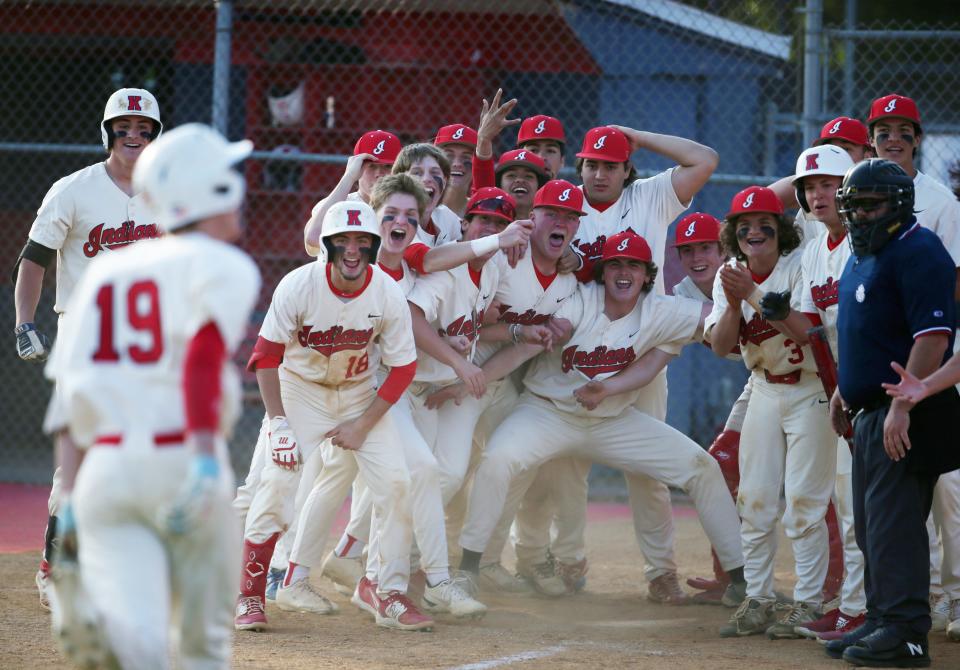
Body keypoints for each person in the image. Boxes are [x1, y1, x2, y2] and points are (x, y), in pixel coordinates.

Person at [42, 123, 261, 669]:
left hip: (105, 475)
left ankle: (123, 641)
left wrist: (67, 501)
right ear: (204, 191)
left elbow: (70, 401)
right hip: (180, 462)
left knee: (139, 637)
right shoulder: (225, 266)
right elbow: (202, 362)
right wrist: (208, 463)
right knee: (200, 647)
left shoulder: (107, 272)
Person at [455, 231, 746, 601]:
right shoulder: (578, 302)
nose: (624, 273)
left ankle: (741, 580)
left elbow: (717, 317)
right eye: (615, 265)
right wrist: (467, 383)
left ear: (646, 275)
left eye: (633, 266)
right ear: (603, 272)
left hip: (614, 422)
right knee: (498, 458)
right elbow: (520, 352)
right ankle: (468, 567)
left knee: (701, 467)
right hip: (548, 413)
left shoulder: (661, 310)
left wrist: (740, 297)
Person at [236, 201, 430, 633]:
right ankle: (249, 594)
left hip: (358, 395)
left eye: (363, 241)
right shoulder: (298, 285)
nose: (353, 250)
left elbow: (403, 367)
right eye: (343, 240)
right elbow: (265, 358)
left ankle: (389, 591)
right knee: (277, 481)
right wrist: (279, 423)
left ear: (376, 246)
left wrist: (363, 424)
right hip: (300, 393)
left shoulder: (386, 291)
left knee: (398, 482)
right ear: (326, 244)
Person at [13, 87, 163, 609]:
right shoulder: (72, 190)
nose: (134, 136)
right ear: (108, 132)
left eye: (144, 130)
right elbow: (33, 260)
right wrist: (23, 322)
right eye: (124, 127)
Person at [825, 158, 960, 666]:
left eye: (871, 205)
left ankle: (906, 632)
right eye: (853, 207)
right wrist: (844, 390)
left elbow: (933, 337)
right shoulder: (866, 252)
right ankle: (882, 619)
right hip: (869, 407)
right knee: (871, 524)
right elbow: (863, 332)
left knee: (897, 524)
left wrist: (904, 402)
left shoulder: (920, 251)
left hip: (905, 410)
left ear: (898, 205)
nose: (860, 216)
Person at [705, 186, 837, 638]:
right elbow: (721, 346)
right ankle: (757, 598)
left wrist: (754, 292)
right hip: (763, 387)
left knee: (804, 501)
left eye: (764, 224)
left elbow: (804, 332)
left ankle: (807, 602)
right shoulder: (731, 273)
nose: (754, 231)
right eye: (744, 226)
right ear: (734, 234)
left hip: (810, 389)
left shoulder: (801, 264)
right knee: (755, 499)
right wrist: (736, 301)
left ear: (780, 231)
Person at [867, 93, 960, 636]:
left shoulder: (940, 200)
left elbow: (952, 281)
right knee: (896, 488)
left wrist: (931, 351)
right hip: (883, 355)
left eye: (905, 130)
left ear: (918, 138)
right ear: (871, 135)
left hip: (934, 353)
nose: (894, 137)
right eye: (884, 129)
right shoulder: (862, 189)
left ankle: (953, 595)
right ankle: (916, 597)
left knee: (946, 486)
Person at [303, 128, 401, 254]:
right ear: (357, 167)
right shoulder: (337, 204)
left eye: (388, 166)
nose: (379, 174)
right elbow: (313, 239)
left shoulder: (408, 207)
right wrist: (348, 177)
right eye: (371, 166)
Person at [434, 123, 478, 217]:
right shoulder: (420, 209)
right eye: (449, 156)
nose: (457, 164)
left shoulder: (480, 212)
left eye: (466, 157)